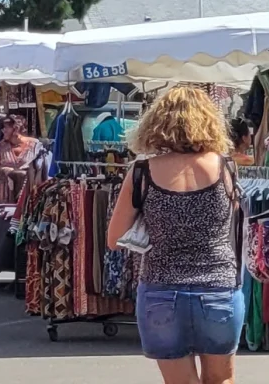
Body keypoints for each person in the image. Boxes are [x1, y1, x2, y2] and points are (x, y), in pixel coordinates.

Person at [104, 87, 246, 384]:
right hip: (217, 287)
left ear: (157, 122)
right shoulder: (225, 168)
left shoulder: (142, 171)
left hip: (161, 290)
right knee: (221, 379)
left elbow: (114, 239)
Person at [0, 114, 38, 204]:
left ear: (16, 128)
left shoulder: (33, 145)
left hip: (26, 187)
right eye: (3, 128)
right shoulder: (1, 145)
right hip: (5, 188)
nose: (3, 130)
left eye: (6, 127)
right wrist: (5, 170)